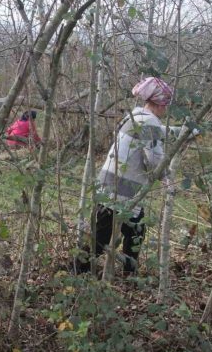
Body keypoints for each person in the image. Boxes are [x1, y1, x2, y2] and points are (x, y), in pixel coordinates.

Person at [73, 76, 193, 276]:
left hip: (112, 185)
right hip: (121, 190)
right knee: (102, 238)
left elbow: (159, 132)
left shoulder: (136, 117)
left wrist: (182, 132)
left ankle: (128, 274)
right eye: (165, 105)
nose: (166, 109)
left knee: (133, 232)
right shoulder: (149, 122)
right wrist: (168, 179)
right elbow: (154, 159)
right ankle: (79, 272)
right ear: (159, 104)